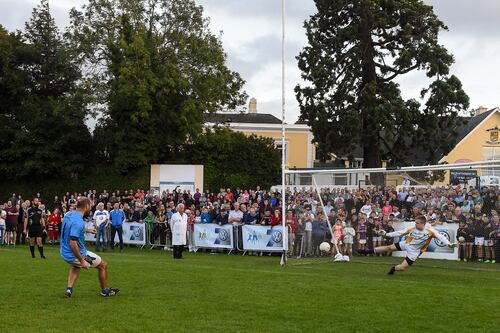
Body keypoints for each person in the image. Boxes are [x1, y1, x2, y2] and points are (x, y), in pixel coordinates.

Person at [60, 197, 119, 298]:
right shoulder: (79, 221)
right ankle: (105, 291)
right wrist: (82, 260)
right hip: (75, 253)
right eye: (90, 206)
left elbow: (71, 229)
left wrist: (87, 230)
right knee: (103, 265)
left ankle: (69, 290)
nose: (91, 208)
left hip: (64, 252)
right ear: (86, 206)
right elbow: (73, 244)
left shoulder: (69, 215)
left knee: (75, 266)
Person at [359, 215, 456, 274]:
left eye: (417, 223)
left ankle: (393, 268)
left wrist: (449, 243)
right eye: (415, 222)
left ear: (423, 224)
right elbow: (399, 233)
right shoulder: (412, 228)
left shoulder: (430, 231)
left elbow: (441, 237)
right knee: (389, 247)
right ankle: (366, 251)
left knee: (403, 267)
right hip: (407, 243)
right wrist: (386, 234)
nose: (415, 224)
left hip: (415, 251)